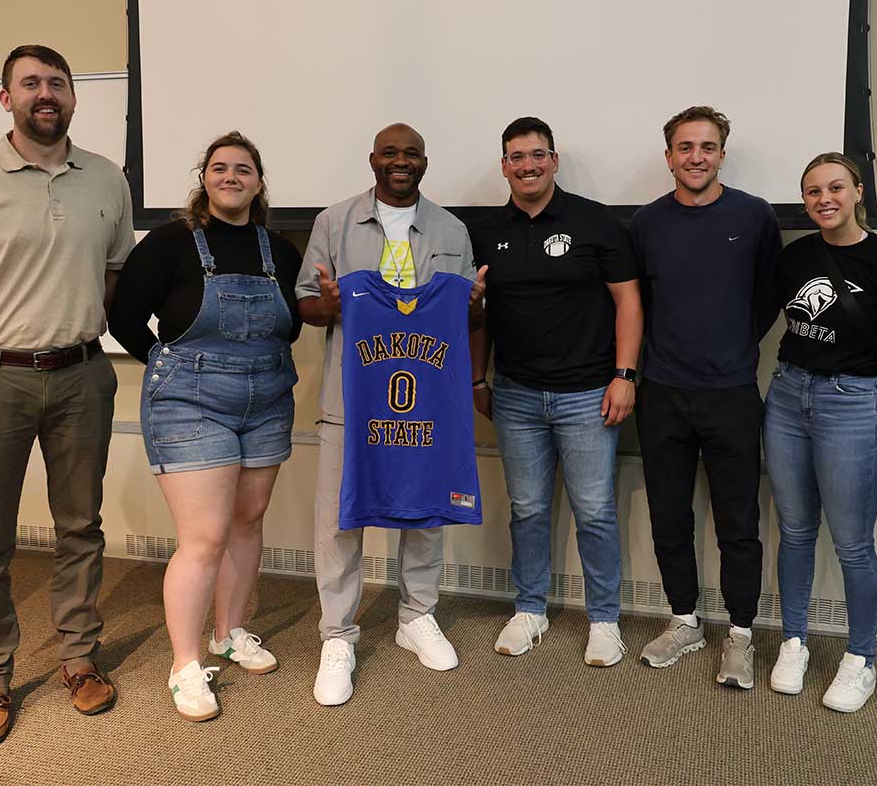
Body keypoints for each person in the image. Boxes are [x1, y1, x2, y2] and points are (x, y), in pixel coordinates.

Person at [0, 45, 133, 747]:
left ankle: (78, 657)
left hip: (81, 376)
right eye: (30, 83)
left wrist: (65, 331)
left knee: (81, 527)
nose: (46, 93)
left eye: (58, 83)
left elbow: (112, 275)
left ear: (74, 97)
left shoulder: (107, 179)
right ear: (6, 98)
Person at [108, 131, 302, 722]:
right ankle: (185, 666)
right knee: (205, 537)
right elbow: (122, 317)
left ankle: (230, 632)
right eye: (220, 168)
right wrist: (175, 370)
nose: (231, 177)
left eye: (244, 169)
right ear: (205, 178)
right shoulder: (169, 243)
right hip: (189, 404)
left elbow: (291, 327)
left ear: (259, 182)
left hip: (267, 400)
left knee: (246, 521)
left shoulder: (281, 251)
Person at [297, 122, 484, 706]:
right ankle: (337, 635)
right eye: (389, 153)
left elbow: (465, 318)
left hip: (426, 398)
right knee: (340, 519)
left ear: (424, 162)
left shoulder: (453, 228)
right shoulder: (333, 221)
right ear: (372, 159)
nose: (400, 162)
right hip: (349, 403)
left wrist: (474, 308)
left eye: (411, 154)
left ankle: (417, 617)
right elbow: (307, 304)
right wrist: (326, 306)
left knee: (426, 509)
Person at [470, 116, 642, 667]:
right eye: (516, 157)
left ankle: (605, 620)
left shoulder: (596, 222)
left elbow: (629, 303)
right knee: (527, 509)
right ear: (504, 166)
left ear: (554, 160)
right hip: (517, 394)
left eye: (537, 155)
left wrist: (625, 376)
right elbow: (479, 315)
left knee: (594, 510)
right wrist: (479, 377)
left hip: (589, 394)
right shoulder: (487, 231)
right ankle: (530, 608)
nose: (528, 165)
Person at [628, 106, 780, 687]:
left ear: (721, 154)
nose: (696, 157)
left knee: (737, 521)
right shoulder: (645, 224)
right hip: (663, 391)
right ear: (668, 156)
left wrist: (731, 344)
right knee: (670, 515)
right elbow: (637, 301)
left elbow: (769, 298)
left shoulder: (756, 216)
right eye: (685, 147)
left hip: (732, 392)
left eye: (708, 147)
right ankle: (685, 620)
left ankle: (740, 633)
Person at [761, 153, 877, 710]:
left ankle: (861, 658)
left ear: (857, 191)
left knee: (853, 544)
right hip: (787, 397)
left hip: (853, 400)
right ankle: (794, 641)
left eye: (834, 188)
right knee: (796, 531)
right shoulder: (796, 256)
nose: (823, 199)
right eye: (811, 192)